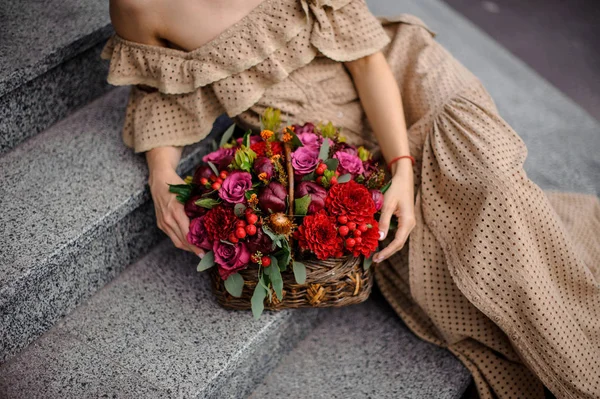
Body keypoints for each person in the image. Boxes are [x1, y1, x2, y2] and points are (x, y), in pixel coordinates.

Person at [102, 0, 600, 397]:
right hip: (326, 143)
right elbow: (160, 93)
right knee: (458, 276)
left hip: (398, 75)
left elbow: (368, 62)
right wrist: (162, 174)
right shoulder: (141, 6)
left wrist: (402, 170)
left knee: (485, 170)